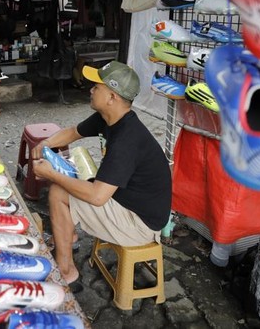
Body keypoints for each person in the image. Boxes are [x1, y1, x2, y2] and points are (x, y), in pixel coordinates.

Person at [31, 61, 172, 289]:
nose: (90, 90)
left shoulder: (127, 139)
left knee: (58, 190)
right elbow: (72, 133)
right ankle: (67, 234)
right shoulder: (109, 118)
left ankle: (66, 272)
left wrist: (51, 174)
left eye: (96, 86)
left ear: (112, 97)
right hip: (126, 202)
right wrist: (45, 143)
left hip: (140, 224)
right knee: (68, 179)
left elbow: (98, 196)